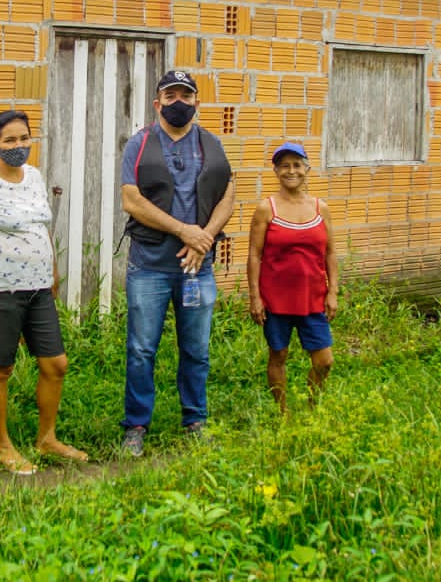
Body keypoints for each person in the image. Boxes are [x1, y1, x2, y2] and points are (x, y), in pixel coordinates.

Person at [0, 109, 87, 474]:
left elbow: (41, 228)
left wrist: (53, 269)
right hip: (0, 291)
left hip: (39, 289)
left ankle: (46, 439)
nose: (18, 146)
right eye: (10, 140)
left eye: (24, 138)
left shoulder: (35, 177)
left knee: (55, 364)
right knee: (1, 367)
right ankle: (3, 445)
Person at [118, 70, 236, 456]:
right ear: (158, 103)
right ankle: (135, 425)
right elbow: (132, 200)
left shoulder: (211, 144)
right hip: (149, 266)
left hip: (196, 268)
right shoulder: (139, 144)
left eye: (186, 95)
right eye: (171, 96)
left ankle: (195, 421)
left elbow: (227, 195)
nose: (179, 102)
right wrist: (186, 231)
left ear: (197, 102)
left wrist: (203, 239)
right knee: (141, 349)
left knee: (196, 349)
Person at [247, 141, 339, 412]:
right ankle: (283, 413)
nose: (291, 171)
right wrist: (255, 297)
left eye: (297, 165)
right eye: (284, 166)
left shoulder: (321, 208)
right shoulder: (267, 208)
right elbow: (254, 255)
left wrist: (333, 291)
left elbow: (331, 253)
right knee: (279, 355)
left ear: (307, 169)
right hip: (276, 300)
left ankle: (312, 407)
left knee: (324, 361)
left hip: (313, 298)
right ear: (275, 171)